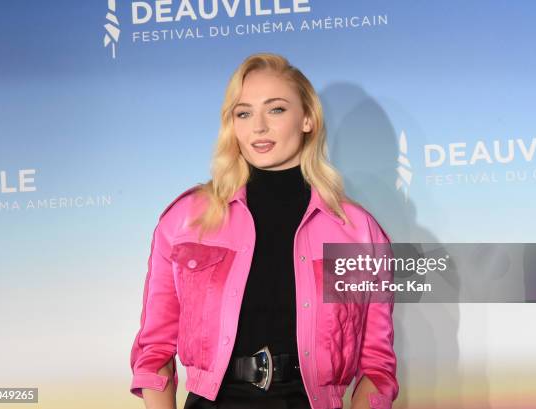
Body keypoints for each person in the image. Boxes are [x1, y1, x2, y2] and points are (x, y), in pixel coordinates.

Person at [129, 52, 398, 409]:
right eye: (243, 113)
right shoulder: (184, 219)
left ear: (307, 119)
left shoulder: (359, 231)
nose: (258, 127)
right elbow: (155, 349)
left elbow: (377, 367)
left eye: (276, 110)